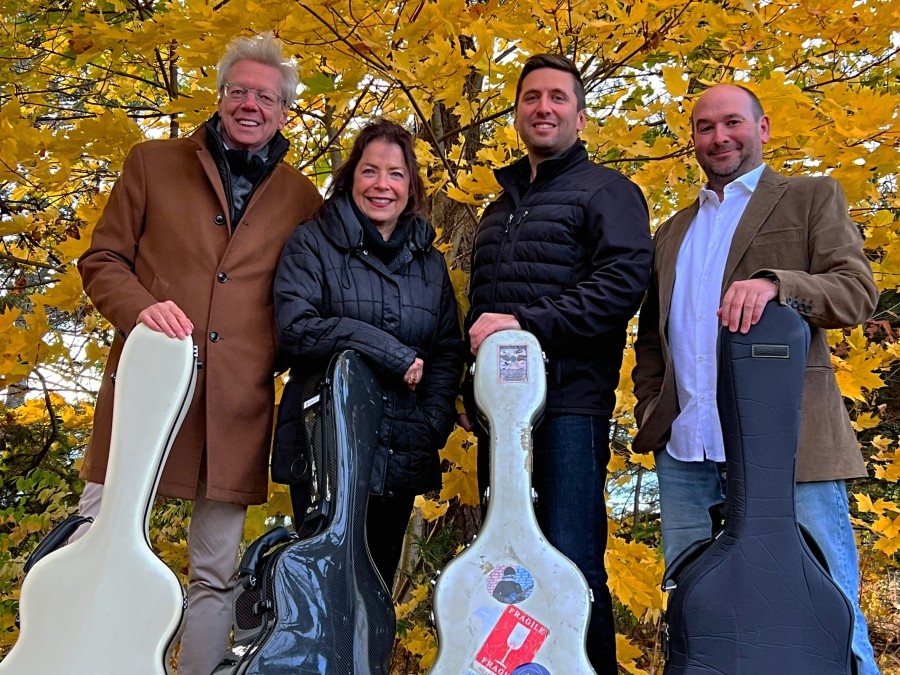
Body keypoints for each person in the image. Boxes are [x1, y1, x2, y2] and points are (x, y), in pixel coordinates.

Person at [74, 33, 322, 675]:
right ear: (219, 97)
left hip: (236, 406)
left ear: (283, 111)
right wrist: (140, 309)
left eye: (264, 96)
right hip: (145, 391)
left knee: (215, 574)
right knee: (93, 537)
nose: (249, 104)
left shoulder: (304, 200)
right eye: (238, 91)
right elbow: (101, 260)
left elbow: (321, 290)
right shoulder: (152, 163)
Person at [632, 83, 880, 675]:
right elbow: (651, 341)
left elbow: (857, 292)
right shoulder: (672, 231)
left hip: (789, 452)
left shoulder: (810, 198)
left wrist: (779, 285)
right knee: (702, 624)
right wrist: (650, 411)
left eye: (733, 123)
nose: (719, 137)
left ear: (762, 128)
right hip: (688, 455)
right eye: (705, 127)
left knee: (831, 615)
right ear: (692, 138)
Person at [461, 54, 652, 673]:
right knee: (508, 566)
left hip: (569, 404)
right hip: (502, 416)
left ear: (580, 113)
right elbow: (484, 314)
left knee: (571, 557)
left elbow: (623, 283)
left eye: (558, 98)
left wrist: (528, 324)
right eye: (531, 98)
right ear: (517, 112)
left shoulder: (607, 191)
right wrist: (474, 395)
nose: (543, 108)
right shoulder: (499, 209)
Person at [273, 118, 463, 588]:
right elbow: (296, 329)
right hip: (326, 450)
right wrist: (389, 352)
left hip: (401, 449)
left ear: (411, 185)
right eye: (370, 171)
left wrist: (433, 423)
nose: (383, 185)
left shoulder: (429, 261)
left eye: (396, 174)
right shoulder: (312, 243)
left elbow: (445, 350)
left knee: (375, 593)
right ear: (350, 177)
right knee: (323, 592)